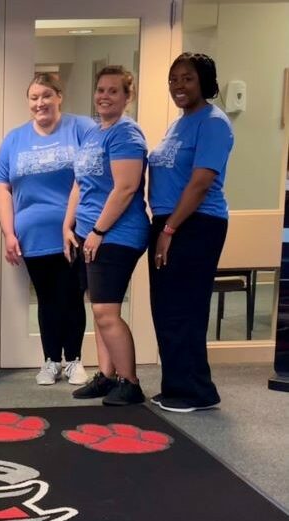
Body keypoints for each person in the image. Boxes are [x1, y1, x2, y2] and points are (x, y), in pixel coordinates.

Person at [148, 53, 234, 413]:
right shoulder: (179, 123)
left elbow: (200, 184)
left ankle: (195, 391)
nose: (178, 86)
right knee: (166, 309)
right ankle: (175, 385)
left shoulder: (213, 123)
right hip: (169, 222)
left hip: (195, 224)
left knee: (186, 308)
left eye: (187, 79)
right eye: (173, 79)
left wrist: (170, 228)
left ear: (205, 82)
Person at [0, 74, 92, 386]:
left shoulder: (80, 128)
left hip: (72, 234)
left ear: (59, 96)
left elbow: (94, 175)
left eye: (47, 95)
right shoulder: (15, 139)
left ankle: (75, 360)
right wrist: (8, 233)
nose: (40, 103)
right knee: (48, 299)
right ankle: (50, 360)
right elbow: (1, 187)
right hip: (32, 237)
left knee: (73, 297)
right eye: (34, 97)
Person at [64, 65, 149, 406]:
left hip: (117, 234)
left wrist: (98, 230)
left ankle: (130, 382)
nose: (104, 96)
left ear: (128, 97)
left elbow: (126, 187)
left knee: (105, 311)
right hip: (89, 233)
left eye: (114, 91)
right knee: (98, 308)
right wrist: (68, 225)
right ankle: (107, 376)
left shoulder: (126, 134)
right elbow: (80, 182)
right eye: (101, 89)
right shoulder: (94, 132)